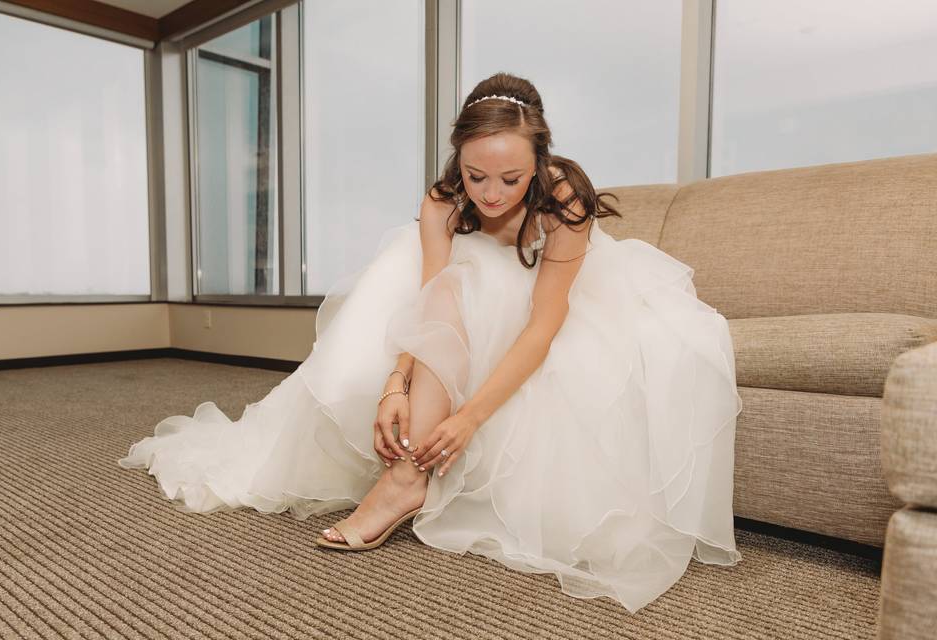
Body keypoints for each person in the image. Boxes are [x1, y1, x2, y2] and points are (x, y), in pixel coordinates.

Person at [118, 72, 744, 614]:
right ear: (456, 164)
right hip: (458, 311)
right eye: (477, 176)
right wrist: (397, 381)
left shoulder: (562, 199)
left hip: (552, 314)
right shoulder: (443, 204)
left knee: (477, 285)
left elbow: (545, 324)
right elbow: (430, 301)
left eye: (511, 178)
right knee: (445, 282)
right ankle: (406, 473)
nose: (492, 194)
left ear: (541, 160)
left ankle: (402, 478)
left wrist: (470, 417)